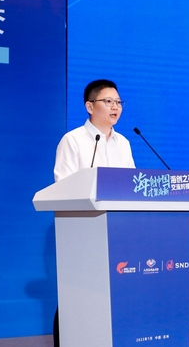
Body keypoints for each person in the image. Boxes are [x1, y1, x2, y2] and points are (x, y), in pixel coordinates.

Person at [52, 79, 135, 347]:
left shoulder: (124, 143)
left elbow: (133, 186)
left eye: (118, 102)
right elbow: (62, 188)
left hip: (118, 231)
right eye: (108, 101)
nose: (115, 107)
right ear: (90, 106)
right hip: (83, 231)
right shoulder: (73, 140)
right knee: (76, 293)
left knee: (108, 294)